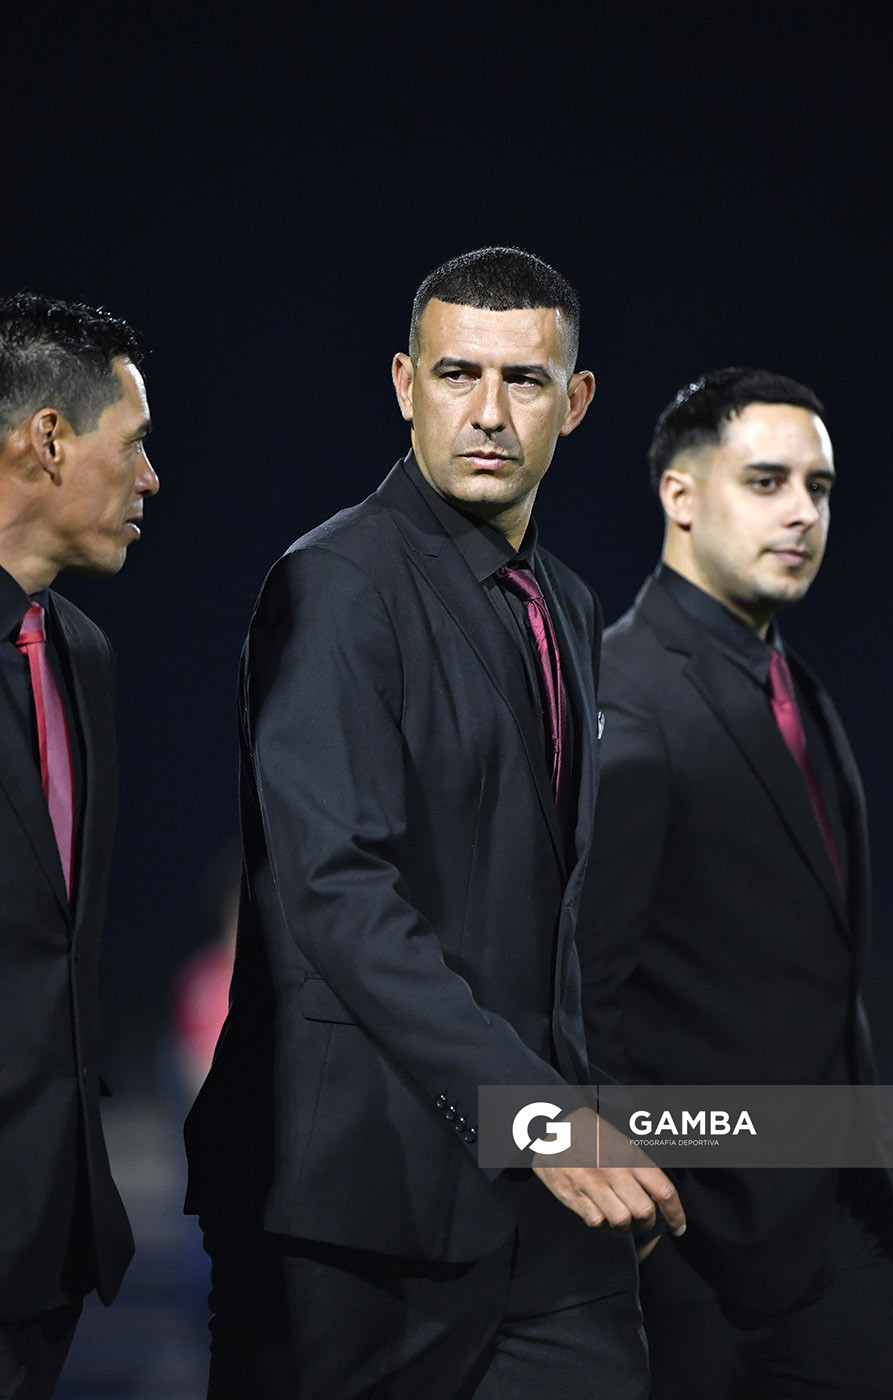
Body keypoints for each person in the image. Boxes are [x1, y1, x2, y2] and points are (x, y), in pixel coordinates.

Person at [184, 246, 684, 1399]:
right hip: (358, 1208)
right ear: (405, 383)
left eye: (524, 380)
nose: (490, 413)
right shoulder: (335, 582)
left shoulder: (569, 601)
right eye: (459, 374)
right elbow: (338, 894)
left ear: (579, 400)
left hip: (539, 1208)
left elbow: (543, 915)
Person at [577, 367, 893, 1398]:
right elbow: (579, 987)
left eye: (818, 488)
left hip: (832, 1218)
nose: (802, 513)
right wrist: (631, 1205)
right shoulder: (628, 696)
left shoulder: (789, 685)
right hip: (690, 1246)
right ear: (680, 496)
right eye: (767, 480)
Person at [0, 292, 159, 1398]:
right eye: (134, 444)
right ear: (45, 438)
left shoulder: (83, 652)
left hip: (45, 1242)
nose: (150, 480)